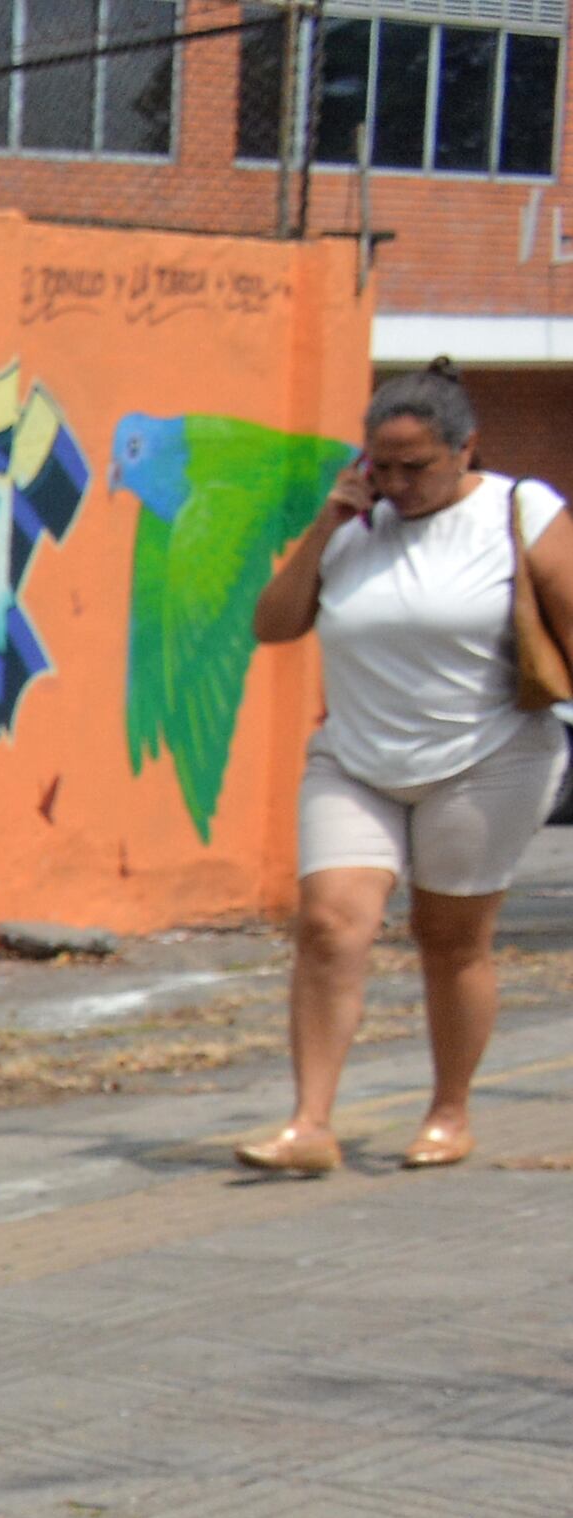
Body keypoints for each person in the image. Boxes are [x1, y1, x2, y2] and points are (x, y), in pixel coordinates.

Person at [243, 362, 573, 1174]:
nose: (396, 484)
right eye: (380, 467)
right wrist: (326, 525)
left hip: (487, 757)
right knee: (327, 926)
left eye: (415, 467)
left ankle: (449, 1111)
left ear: (465, 451)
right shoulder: (356, 529)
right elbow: (274, 624)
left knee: (450, 938)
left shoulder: (519, 510)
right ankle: (310, 1124)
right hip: (356, 757)